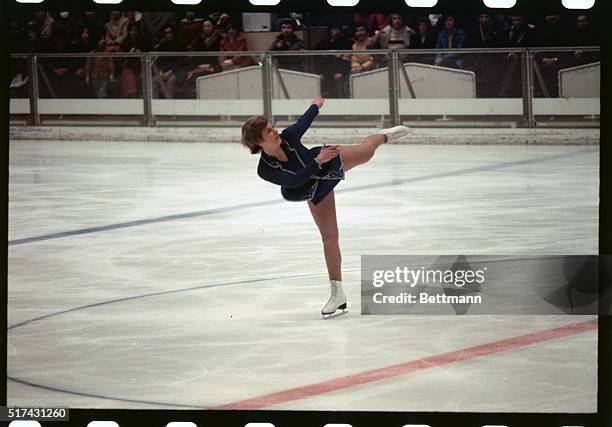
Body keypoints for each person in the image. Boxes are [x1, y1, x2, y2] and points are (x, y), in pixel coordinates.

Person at [240, 98, 412, 318]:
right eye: (268, 131)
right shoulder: (264, 169)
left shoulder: (289, 137)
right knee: (329, 237)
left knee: (366, 152)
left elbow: (304, 121)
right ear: (258, 142)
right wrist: (318, 161)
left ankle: (383, 136)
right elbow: (294, 181)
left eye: (272, 127)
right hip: (311, 186)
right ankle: (337, 294)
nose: (275, 131)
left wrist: (315, 106)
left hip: (325, 162)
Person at [315, 24, 352, 98]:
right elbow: (318, 60)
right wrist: (320, 72)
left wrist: (341, 72)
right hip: (325, 70)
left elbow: (347, 61)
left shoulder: (346, 43)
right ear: (330, 31)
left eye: (337, 29)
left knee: (337, 78)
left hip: (339, 69)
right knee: (320, 78)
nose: (336, 31)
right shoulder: (322, 43)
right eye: (333, 29)